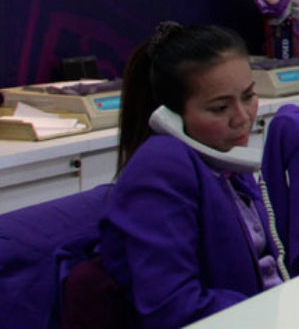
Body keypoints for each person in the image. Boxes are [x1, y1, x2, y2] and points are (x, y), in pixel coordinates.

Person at [102, 22, 284, 329]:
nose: (242, 117)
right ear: (170, 117)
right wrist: (264, 313)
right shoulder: (161, 168)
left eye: (248, 96)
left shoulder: (224, 160)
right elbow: (171, 307)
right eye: (220, 108)